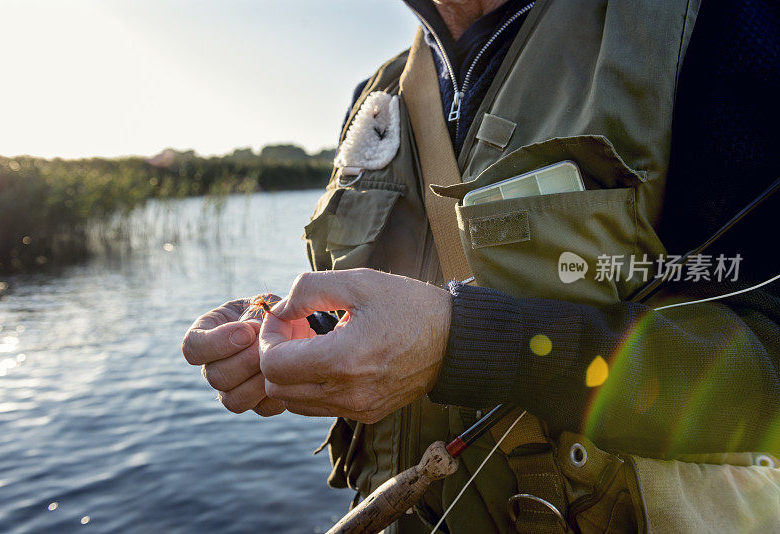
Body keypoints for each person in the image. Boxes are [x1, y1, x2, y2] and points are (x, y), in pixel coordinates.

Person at [183, 0, 780, 531]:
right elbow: (368, 302)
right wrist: (284, 329)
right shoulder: (374, 97)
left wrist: (465, 342)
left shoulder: (715, 25)